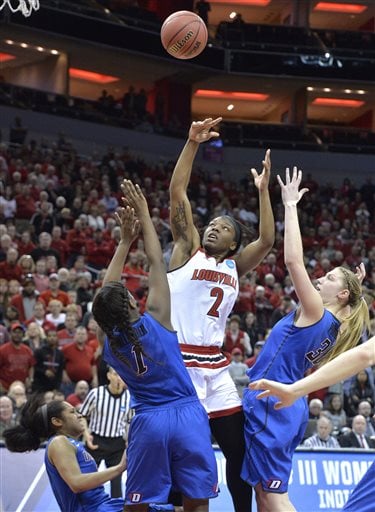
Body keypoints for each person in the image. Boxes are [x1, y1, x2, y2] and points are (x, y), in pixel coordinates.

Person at [241, 167, 370, 512]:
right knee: (264, 496)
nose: (319, 279)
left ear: (341, 294)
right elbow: (352, 306)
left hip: (273, 399)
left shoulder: (315, 311)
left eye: (327, 278)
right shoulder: (338, 325)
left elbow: (293, 260)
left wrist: (290, 205)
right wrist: (354, 284)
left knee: (273, 497)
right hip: (288, 404)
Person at [167, 117, 274, 512]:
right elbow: (178, 191)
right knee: (186, 450)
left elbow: (267, 239)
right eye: (211, 224)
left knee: (237, 449)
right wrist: (192, 142)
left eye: (223, 227)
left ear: (234, 244)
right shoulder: (187, 247)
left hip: (215, 365)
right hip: (181, 361)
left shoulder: (235, 266)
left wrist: (263, 191)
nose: (212, 229)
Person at [92, 179, 218, 511]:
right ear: (132, 303)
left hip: (148, 422)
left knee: (137, 504)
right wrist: (145, 216)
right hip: (187, 414)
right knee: (196, 501)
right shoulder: (158, 318)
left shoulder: (107, 341)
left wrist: (122, 244)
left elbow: (105, 294)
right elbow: (155, 262)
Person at [249, 336, 375, 512]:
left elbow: (364, 354)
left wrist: (296, 389)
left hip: (279, 399)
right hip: (283, 401)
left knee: (272, 497)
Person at [3, 397, 126, 511]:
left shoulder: (71, 443)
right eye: (73, 412)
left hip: (103, 505)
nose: (80, 415)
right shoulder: (59, 443)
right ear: (57, 421)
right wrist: (119, 468)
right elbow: (76, 483)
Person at [80, 366, 132, 498]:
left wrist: (128, 440)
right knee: (88, 479)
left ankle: (116, 508)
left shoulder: (129, 398)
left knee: (116, 482)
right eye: (115, 374)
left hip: (117, 444)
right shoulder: (95, 394)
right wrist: (86, 434)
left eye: (121, 375)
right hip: (96, 441)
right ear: (109, 376)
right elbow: (81, 417)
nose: (118, 378)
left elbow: (130, 422)